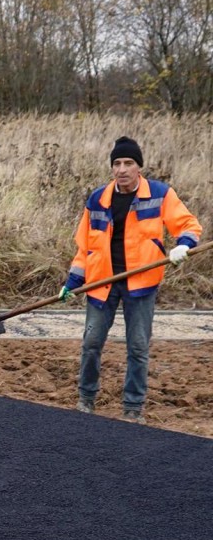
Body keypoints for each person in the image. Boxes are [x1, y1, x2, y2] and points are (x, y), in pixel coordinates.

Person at [60, 136, 202, 424]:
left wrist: (184, 245)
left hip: (141, 283)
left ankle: (133, 408)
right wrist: (73, 282)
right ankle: (86, 399)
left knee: (137, 347)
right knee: (91, 343)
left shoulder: (160, 194)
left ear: (139, 167)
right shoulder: (98, 199)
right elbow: (84, 248)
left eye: (128, 163)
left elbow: (188, 224)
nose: (122, 169)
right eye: (117, 163)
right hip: (101, 284)